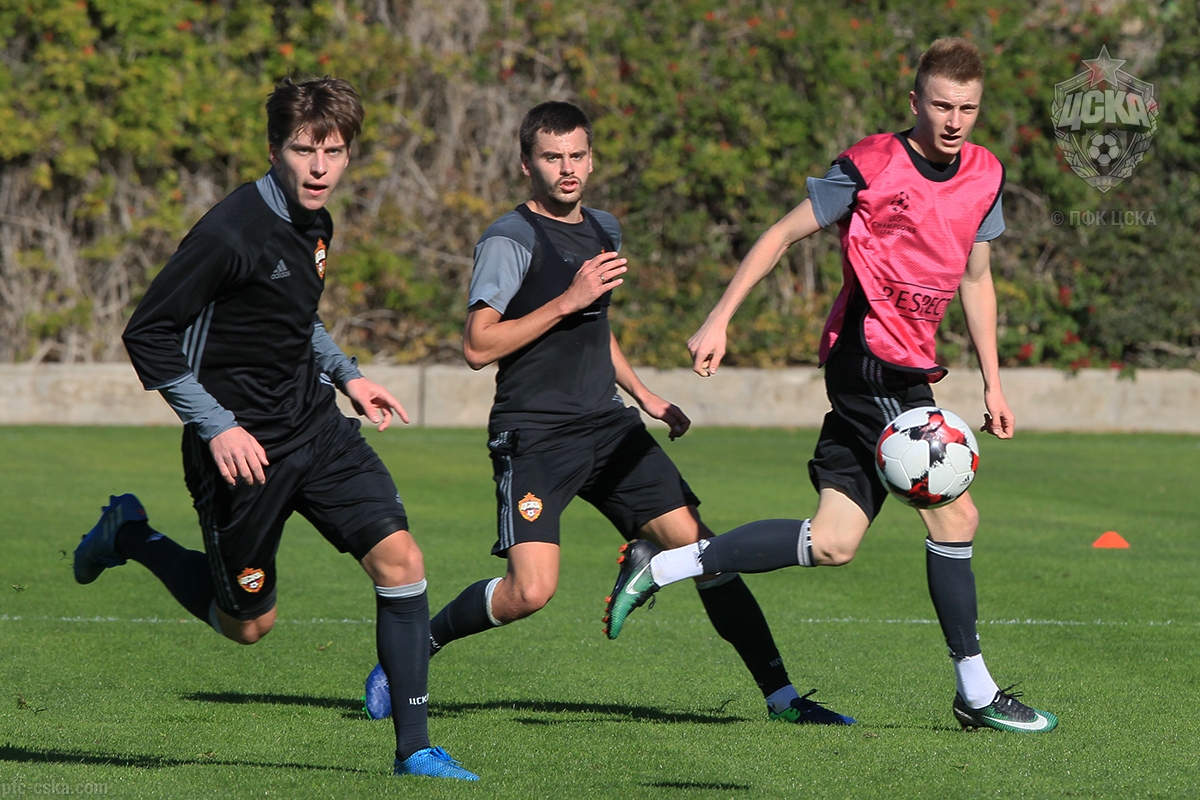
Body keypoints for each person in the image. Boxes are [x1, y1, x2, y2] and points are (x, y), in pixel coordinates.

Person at [605, 38, 1059, 734]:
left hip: (911, 367)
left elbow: (977, 279)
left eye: (967, 108)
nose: (954, 120)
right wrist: (719, 317)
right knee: (956, 516)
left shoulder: (986, 174)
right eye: (941, 105)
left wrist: (994, 385)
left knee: (833, 542)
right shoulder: (870, 164)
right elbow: (779, 235)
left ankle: (665, 563)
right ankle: (975, 693)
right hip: (868, 359)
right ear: (915, 101)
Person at [361, 100, 854, 727]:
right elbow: (478, 347)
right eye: (551, 157)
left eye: (577, 155)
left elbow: (596, 326)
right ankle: (416, 648)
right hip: (535, 435)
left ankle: (783, 698)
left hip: (609, 427)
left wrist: (644, 395)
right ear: (526, 164)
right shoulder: (510, 239)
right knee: (529, 592)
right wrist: (568, 299)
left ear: (592, 160)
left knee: (706, 555)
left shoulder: (604, 228)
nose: (567, 168)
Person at [73, 77, 479, 780]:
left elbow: (296, 317)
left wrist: (347, 376)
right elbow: (148, 333)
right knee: (248, 625)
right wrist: (217, 427)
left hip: (316, 428)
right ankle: (130, 534)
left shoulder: (317, 222)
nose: (320, 168)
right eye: (303, 150)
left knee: (402, 564)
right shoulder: (228, 234)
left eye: (334, 152)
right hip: (241, 453)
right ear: (273, 150)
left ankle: (414, 750)